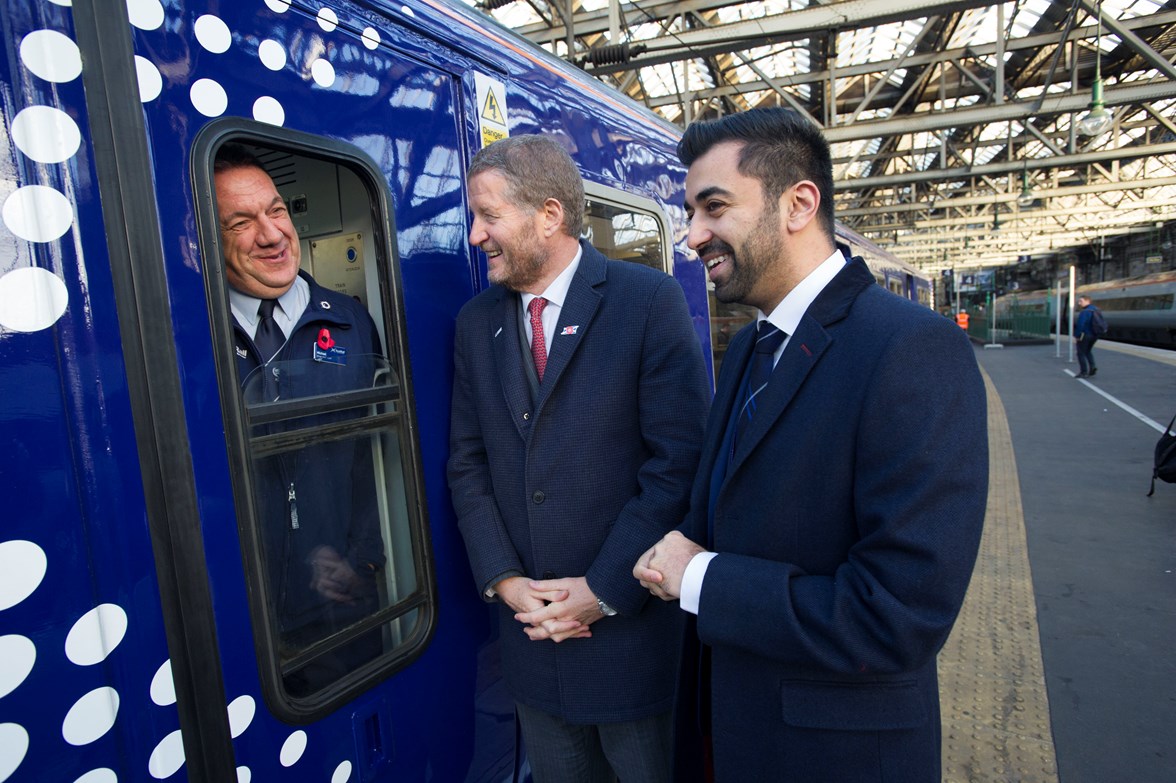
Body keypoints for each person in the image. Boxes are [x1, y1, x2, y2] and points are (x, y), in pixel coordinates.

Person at [633, 108, 989, 782]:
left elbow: (898, 615)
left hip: (836, 756)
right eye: (689, 212)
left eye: (713, 207)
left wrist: (702, 577)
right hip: (731, 736)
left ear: (798, 204)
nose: (692, 235)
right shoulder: (748, 349)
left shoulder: (913, 349)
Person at [447, 134, 710, 783]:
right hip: (533, 648)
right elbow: (467, 462)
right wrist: (505, 581)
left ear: (548, 215)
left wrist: (602, 590)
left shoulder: (645, 301)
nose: (476, 235)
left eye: (489, 215)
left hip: (630, 642)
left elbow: (677, 463)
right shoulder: (477, 323)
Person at [214, 144, 387, 695]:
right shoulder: (194, 339)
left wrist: (360, 564)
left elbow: (377, 461)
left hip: (346, 610)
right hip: (248, 626)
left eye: (277, 210)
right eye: (241, 222)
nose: (271, 235)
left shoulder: (352, 323)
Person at [1074, 294, 1102, 377]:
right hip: (1095, 335)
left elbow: (1080, 325)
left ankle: (1083, 372)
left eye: (1081, 301)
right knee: (1088, 351)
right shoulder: (1096, 310)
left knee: (1080, 353)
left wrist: (1077, 335)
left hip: (1085, 335)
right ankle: (1092, 367)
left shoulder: (1085, 312)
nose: (1079, 303)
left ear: (1087, 301)